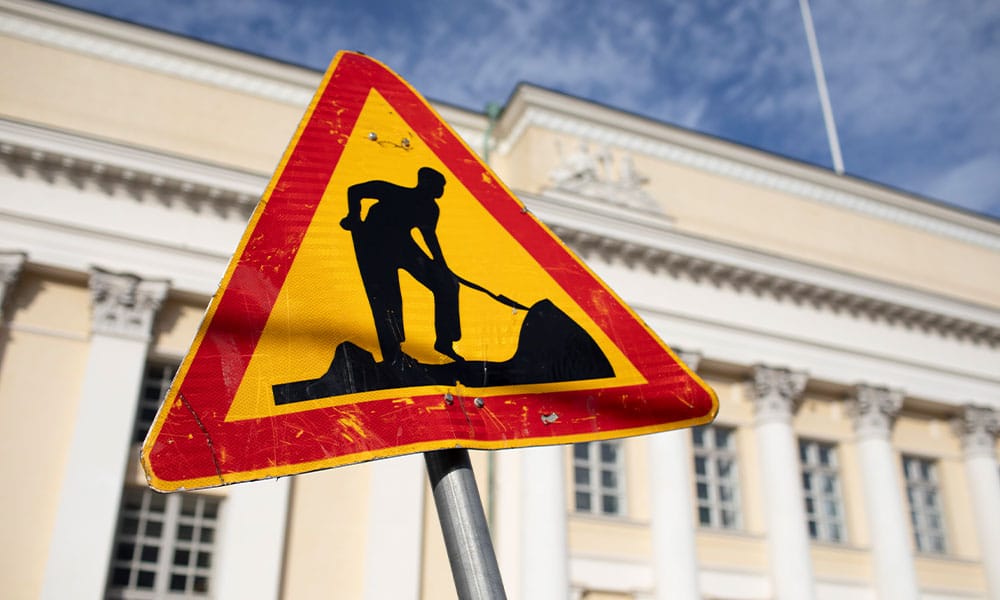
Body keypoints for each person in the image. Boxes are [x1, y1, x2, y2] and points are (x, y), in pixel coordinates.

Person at [340, 166, 462, 363]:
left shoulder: (431, 209)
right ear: (425, 183)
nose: (441, 190)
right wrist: (354, 216)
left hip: (403, 245)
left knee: (447, 284)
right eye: (439, 185)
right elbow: (355, 190)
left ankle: (445, 342)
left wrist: (441, 265)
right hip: (375, 244)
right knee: (388, 299)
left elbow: (429, 235)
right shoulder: (394, 192)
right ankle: (392, 352)